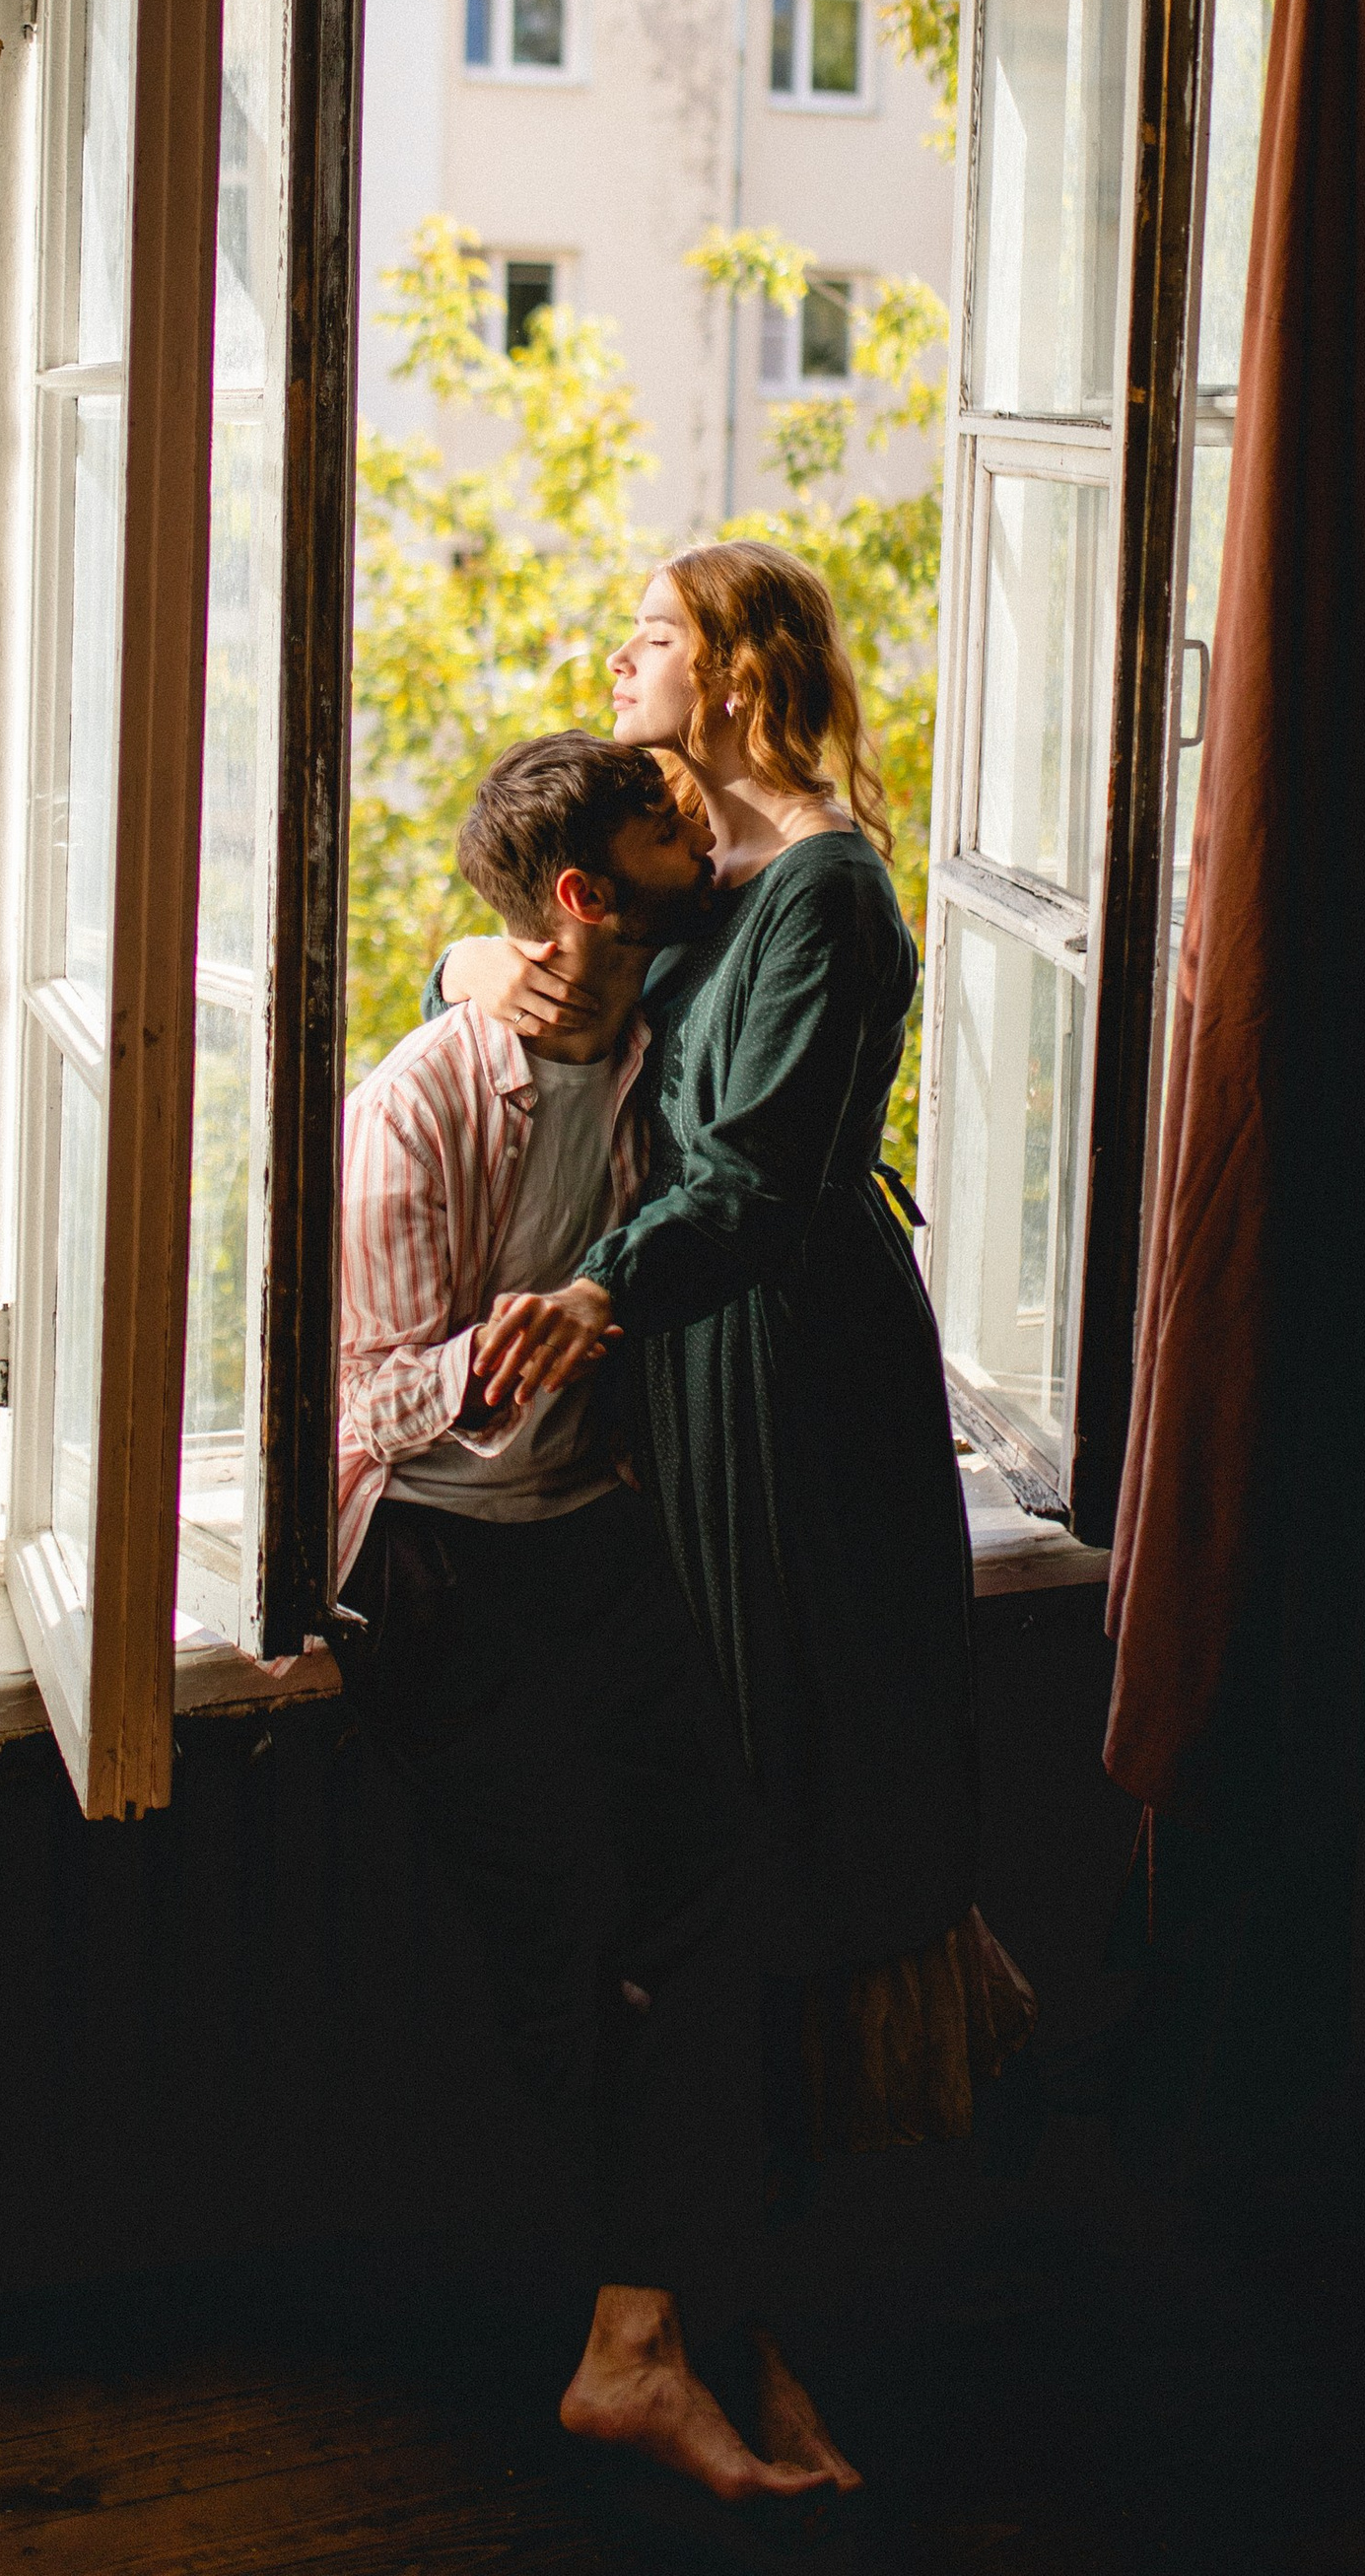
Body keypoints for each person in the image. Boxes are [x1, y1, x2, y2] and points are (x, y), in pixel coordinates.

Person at [336, 729, 863, 2517]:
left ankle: (680, 2323)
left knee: (723, 1886)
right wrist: (520, 1343)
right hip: (442, 1567)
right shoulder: (415, 1098)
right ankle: (641, 2346)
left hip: (596, 1543)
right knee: (559, 1942)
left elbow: (779, 925)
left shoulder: (660, 1027)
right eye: (669, 828)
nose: (705, 837)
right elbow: (374, 1399)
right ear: (585, 893)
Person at [440, 543, 1006, 2139]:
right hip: (688, 1355)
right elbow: (552, 967)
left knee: (808, 1726)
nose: (618, 663)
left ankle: (829, 2154)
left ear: (739, 675)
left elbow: (753, 1175)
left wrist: (601, 1290)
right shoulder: (697, 876)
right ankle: (723, 2158)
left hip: (792, 1365)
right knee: (717, 1750)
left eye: (651, 639)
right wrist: (479, 965)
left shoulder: (827, 891)